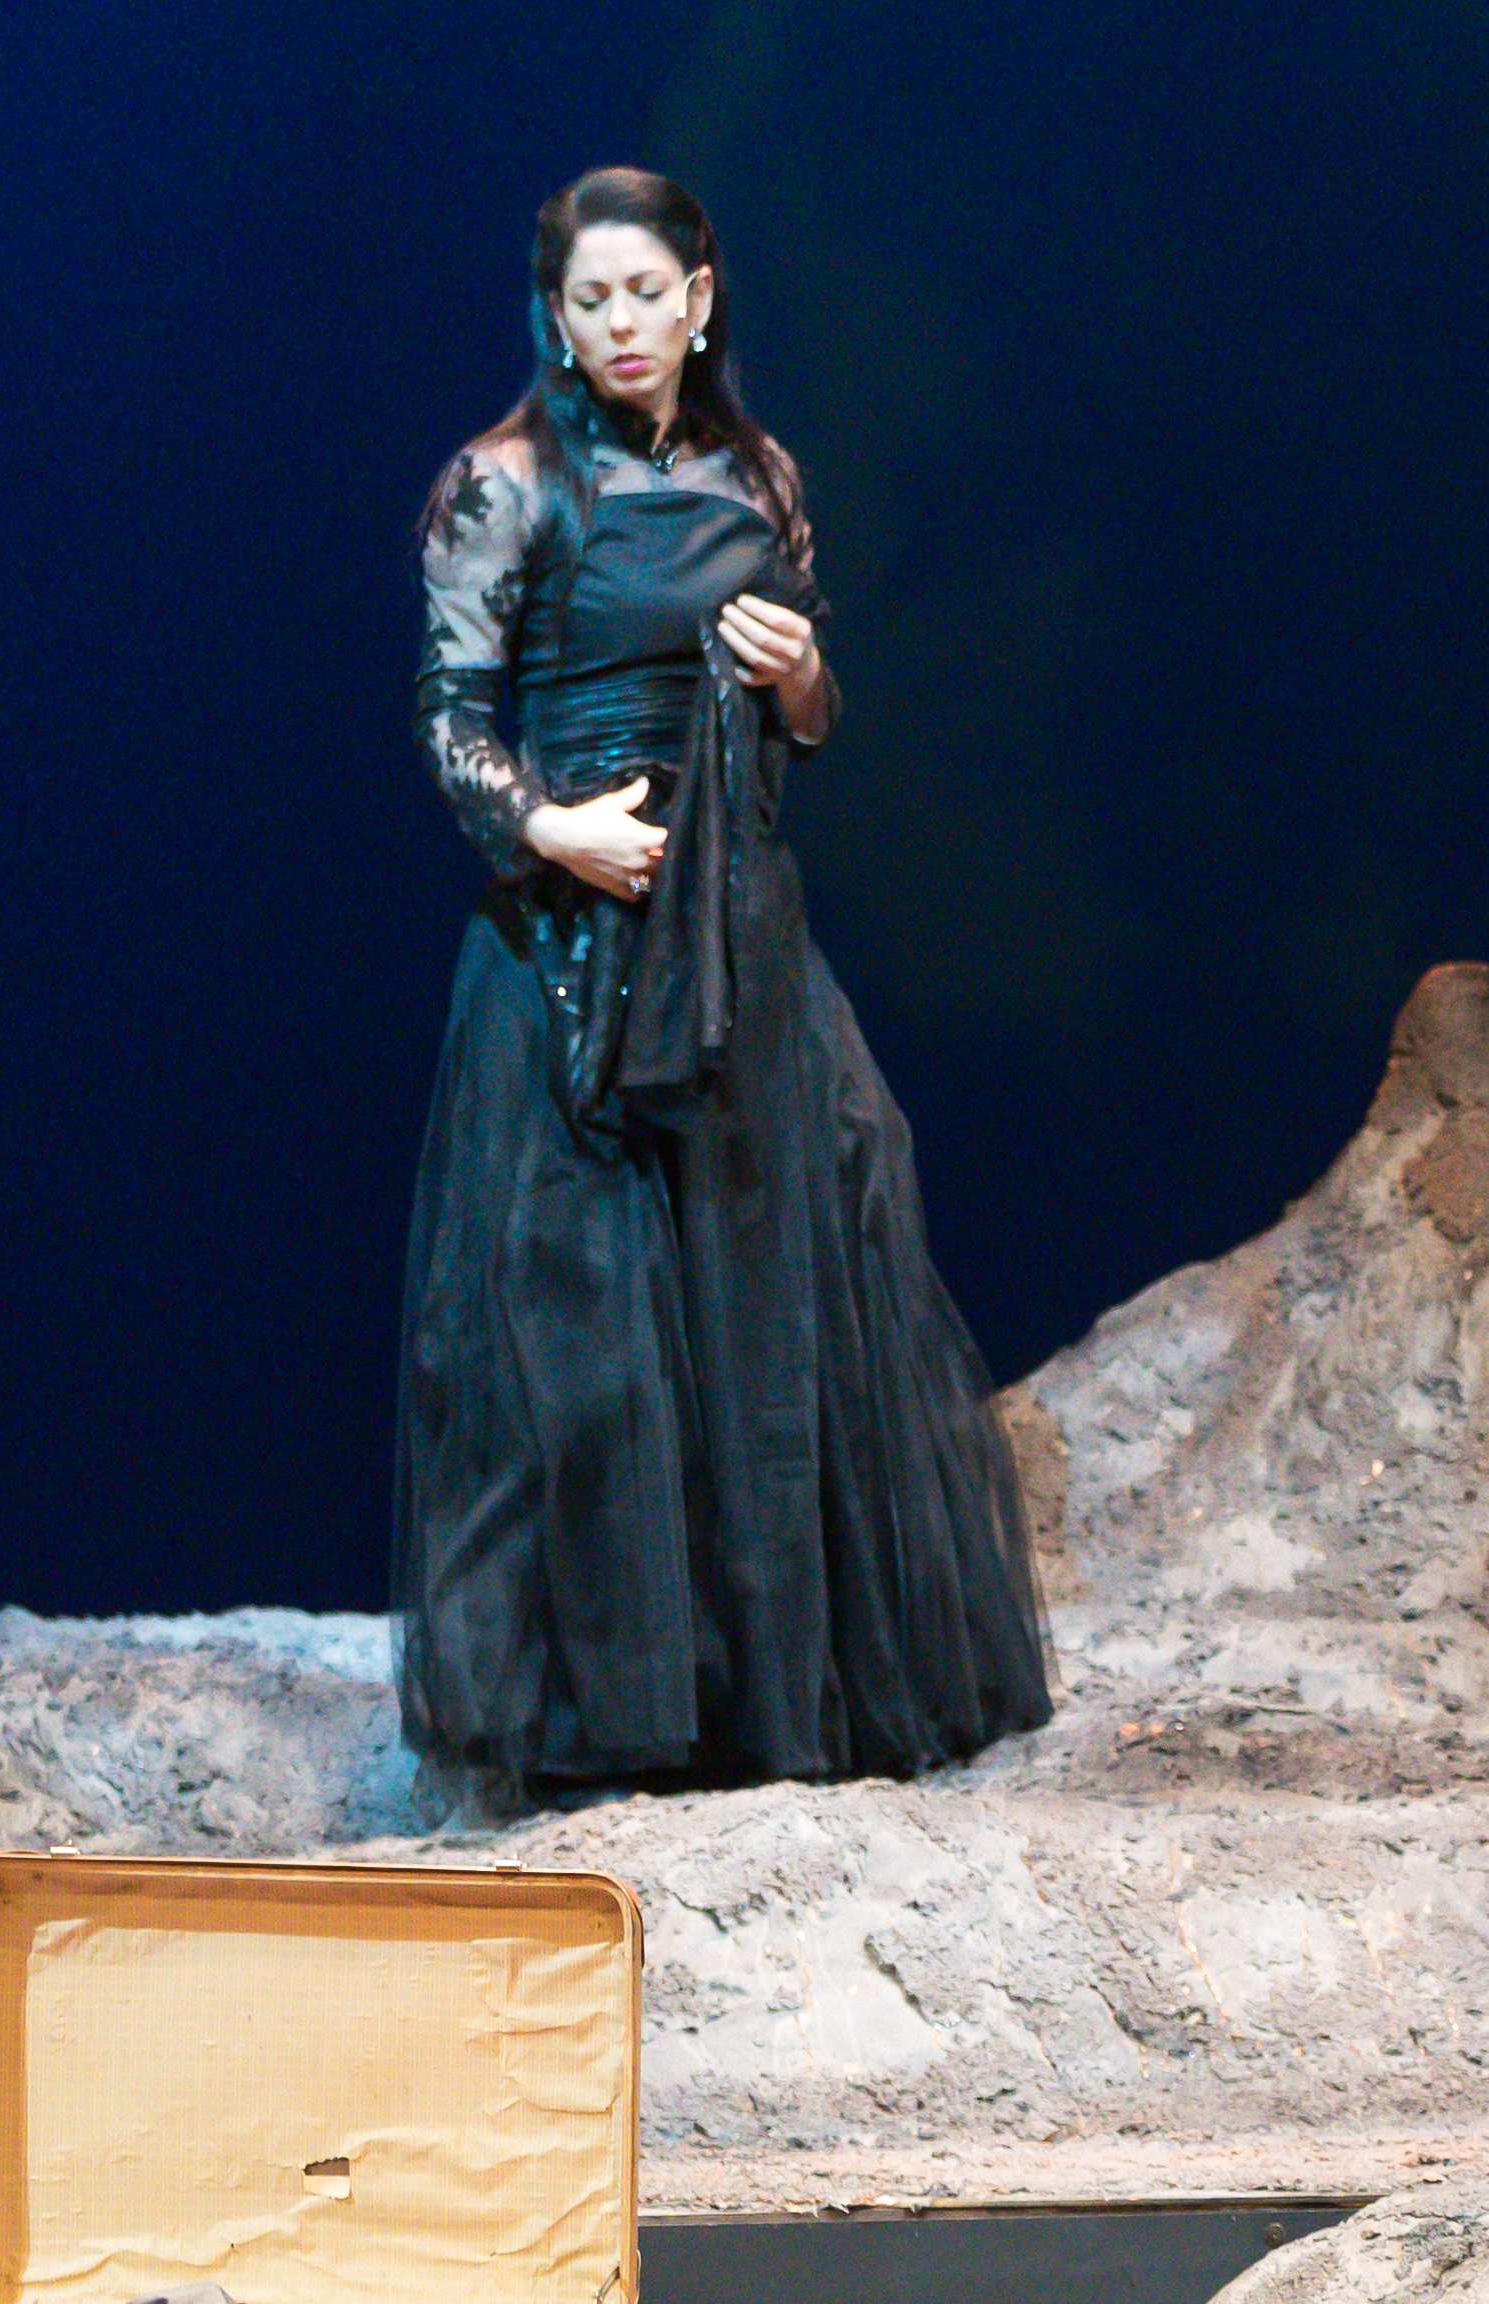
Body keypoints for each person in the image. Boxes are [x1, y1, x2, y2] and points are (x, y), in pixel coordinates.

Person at [392, 168, 1051, 1789]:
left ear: (699, 299)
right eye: (589, 301)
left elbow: (804, 727)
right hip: (574, 956)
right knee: (591, 1330)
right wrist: (551, 828)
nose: (620, 325)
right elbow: (449, 720)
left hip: (740, 941)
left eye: (646, 294)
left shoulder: (761, 477)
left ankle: (776, 1703)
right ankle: (608, 1715)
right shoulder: (503, 485)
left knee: (778, 1295)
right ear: (556, 316)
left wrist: (806, 672)